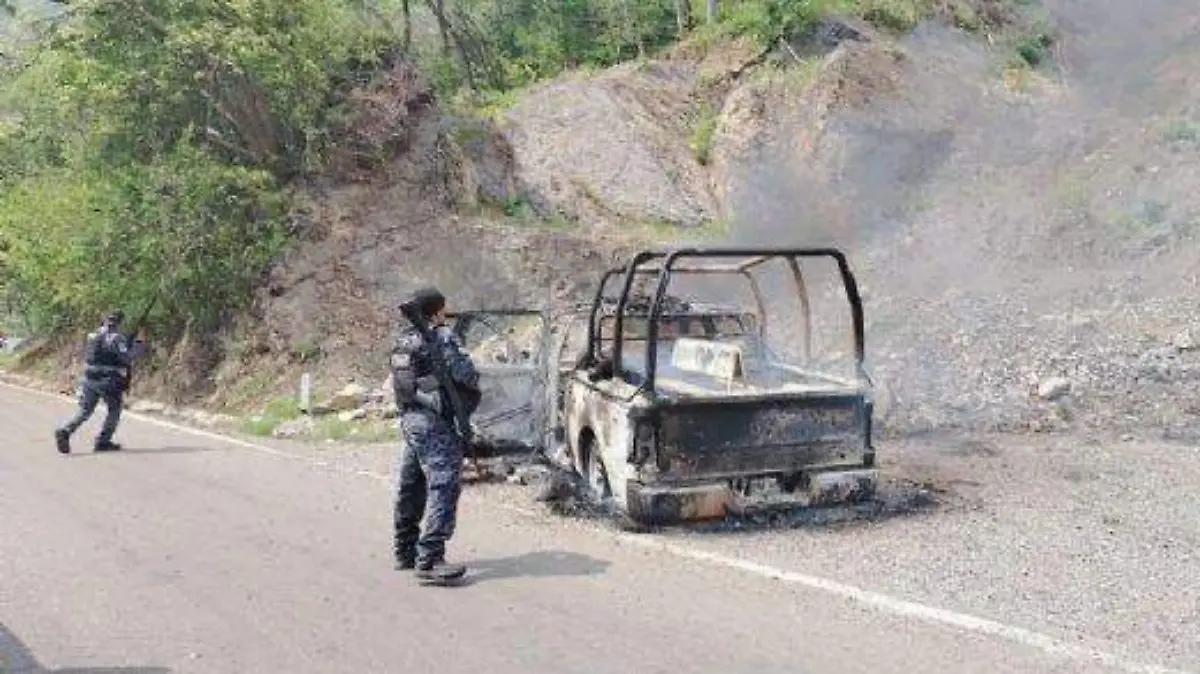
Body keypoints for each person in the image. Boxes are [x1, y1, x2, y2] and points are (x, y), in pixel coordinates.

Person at [390, 287, 480, 581]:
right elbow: (465, 374)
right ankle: (430, 557)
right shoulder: (440, 337)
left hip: (410, 419)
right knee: (444, 484)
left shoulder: (404, 340)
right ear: (438, 311)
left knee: (412, 484)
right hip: (433, 422)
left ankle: (405, 550)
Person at [54, 310, 148, 454]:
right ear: (119, 322)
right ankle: (103, 441)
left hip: (89, 378)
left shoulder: (94, 335)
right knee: (114, 409)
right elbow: (126, 359)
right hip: (108, 380)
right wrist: (139, 346)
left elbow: (103, 352)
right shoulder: (117, 338)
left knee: (85, 410)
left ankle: (66, 430)